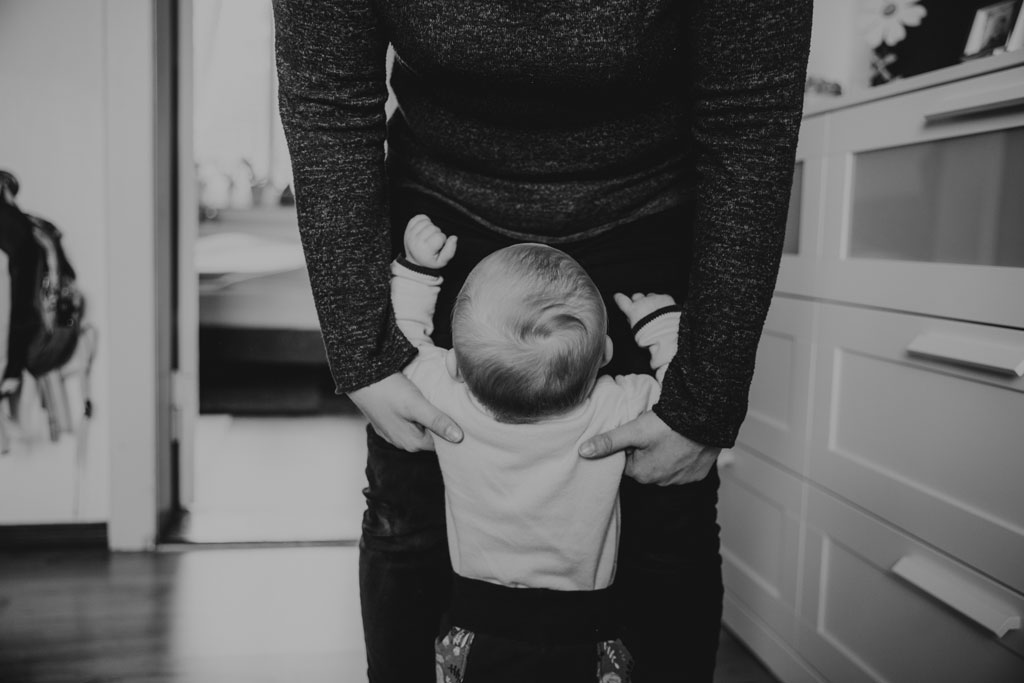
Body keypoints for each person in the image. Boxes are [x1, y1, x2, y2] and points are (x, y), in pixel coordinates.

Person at [273, 1, 812, 680]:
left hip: (642, 226)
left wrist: (706, 399)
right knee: (408, 515)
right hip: (442, 239)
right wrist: (365, 356)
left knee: (664, 525)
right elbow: (325, 100)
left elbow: (751, 118)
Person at [392, 214, 681, 682]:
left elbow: (403, 347)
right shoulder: (613, 408)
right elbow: (682, 405)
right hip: (588, 636)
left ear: (455, 365)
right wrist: (660, 328)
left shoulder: (449, 406)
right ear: (605, 354)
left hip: (473, 630)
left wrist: (417, 271)